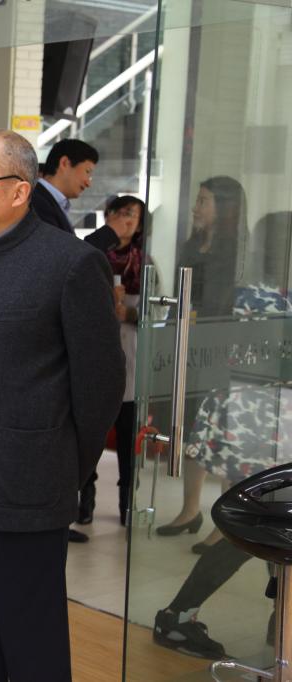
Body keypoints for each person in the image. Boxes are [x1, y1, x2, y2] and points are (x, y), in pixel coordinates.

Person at [0, 130, 124, 681]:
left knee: (31, 646)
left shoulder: (71, 263)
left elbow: (100, 385)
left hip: (26, 489)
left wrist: (61, 469)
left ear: (18, 191)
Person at [153, 211, 292, 660]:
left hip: (259, 421)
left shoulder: (261, 293)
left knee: (271, 526)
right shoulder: (261, 298)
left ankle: (279, 623)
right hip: (262, 423)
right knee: (264, 526)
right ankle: (178, 616)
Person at [31, 138, 120, 539]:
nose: (88, 181)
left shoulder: (56, 207)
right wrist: (107, 237)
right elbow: (61, 263)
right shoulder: (37, 203)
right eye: (86, 171)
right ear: (64, 162)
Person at [156, 176, 249, 540]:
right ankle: (190, 510)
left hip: (221, 351)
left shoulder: (237, 250)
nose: (195, 208)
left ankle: (225, 525)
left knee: (223, 433)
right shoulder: (192, 244)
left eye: (203, 201)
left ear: (224, 208)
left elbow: (227, 305)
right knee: (193, 428)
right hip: (189, 347)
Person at [102, 195, 149, 525]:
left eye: (133, 215)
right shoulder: (94, 255)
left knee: (127, 432)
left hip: (131, 353)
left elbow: (159, 310)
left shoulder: (145, 261)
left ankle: (127, 506)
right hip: (99, 353)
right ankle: (85, 503)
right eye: (121, 213)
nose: (126, 220)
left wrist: (129, 313)